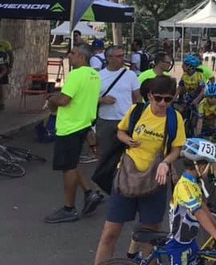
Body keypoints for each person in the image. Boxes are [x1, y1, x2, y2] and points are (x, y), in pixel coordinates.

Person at [93, 76, 186, 264]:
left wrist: (166, 162)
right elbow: (121, 131)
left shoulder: (174, 118)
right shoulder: (137, 111)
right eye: (158, 98)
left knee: (150, 237)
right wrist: (126, 139)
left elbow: (177, 149)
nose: (162, 103)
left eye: (168, 99)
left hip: (155, 180)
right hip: (127, 177)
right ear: (150, 96)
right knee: (110, 232)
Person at [44, 44, 103, 223]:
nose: (70, 56)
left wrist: (51, 99)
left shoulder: (76, 74)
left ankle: (69, 208)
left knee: (67, 167)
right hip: (84, 123)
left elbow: (64, 100)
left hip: (69, 126)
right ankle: (88, 192)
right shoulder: (95, 75)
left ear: (82, 58)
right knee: (73, 161)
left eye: (73, 53)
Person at [165, 138, 216, 264]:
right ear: (201, 167)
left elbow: (202, 206)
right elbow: (199, 213)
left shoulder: (194, 183)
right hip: (178, 246)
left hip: (190, 242)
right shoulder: (184, 186)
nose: (211, 170)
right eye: (210, 166)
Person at [95, 46, 141, 161]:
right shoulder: (99, 76)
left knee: (126, 155)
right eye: (119, 56)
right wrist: (101, 99)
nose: (123, 59)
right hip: (105, 121)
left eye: (123, 55)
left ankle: (121, 178)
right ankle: (106, 177)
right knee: (105, 155)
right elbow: (89, 98)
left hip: (125, 120)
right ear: (109, 58)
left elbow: (137, 97)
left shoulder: (130, 75)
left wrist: (137, 117)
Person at [0, 39, 12, 111]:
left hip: (3, 68)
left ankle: (2, 104)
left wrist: (10, 66)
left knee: (2, 86)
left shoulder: (5, 43)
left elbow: (11, 56)